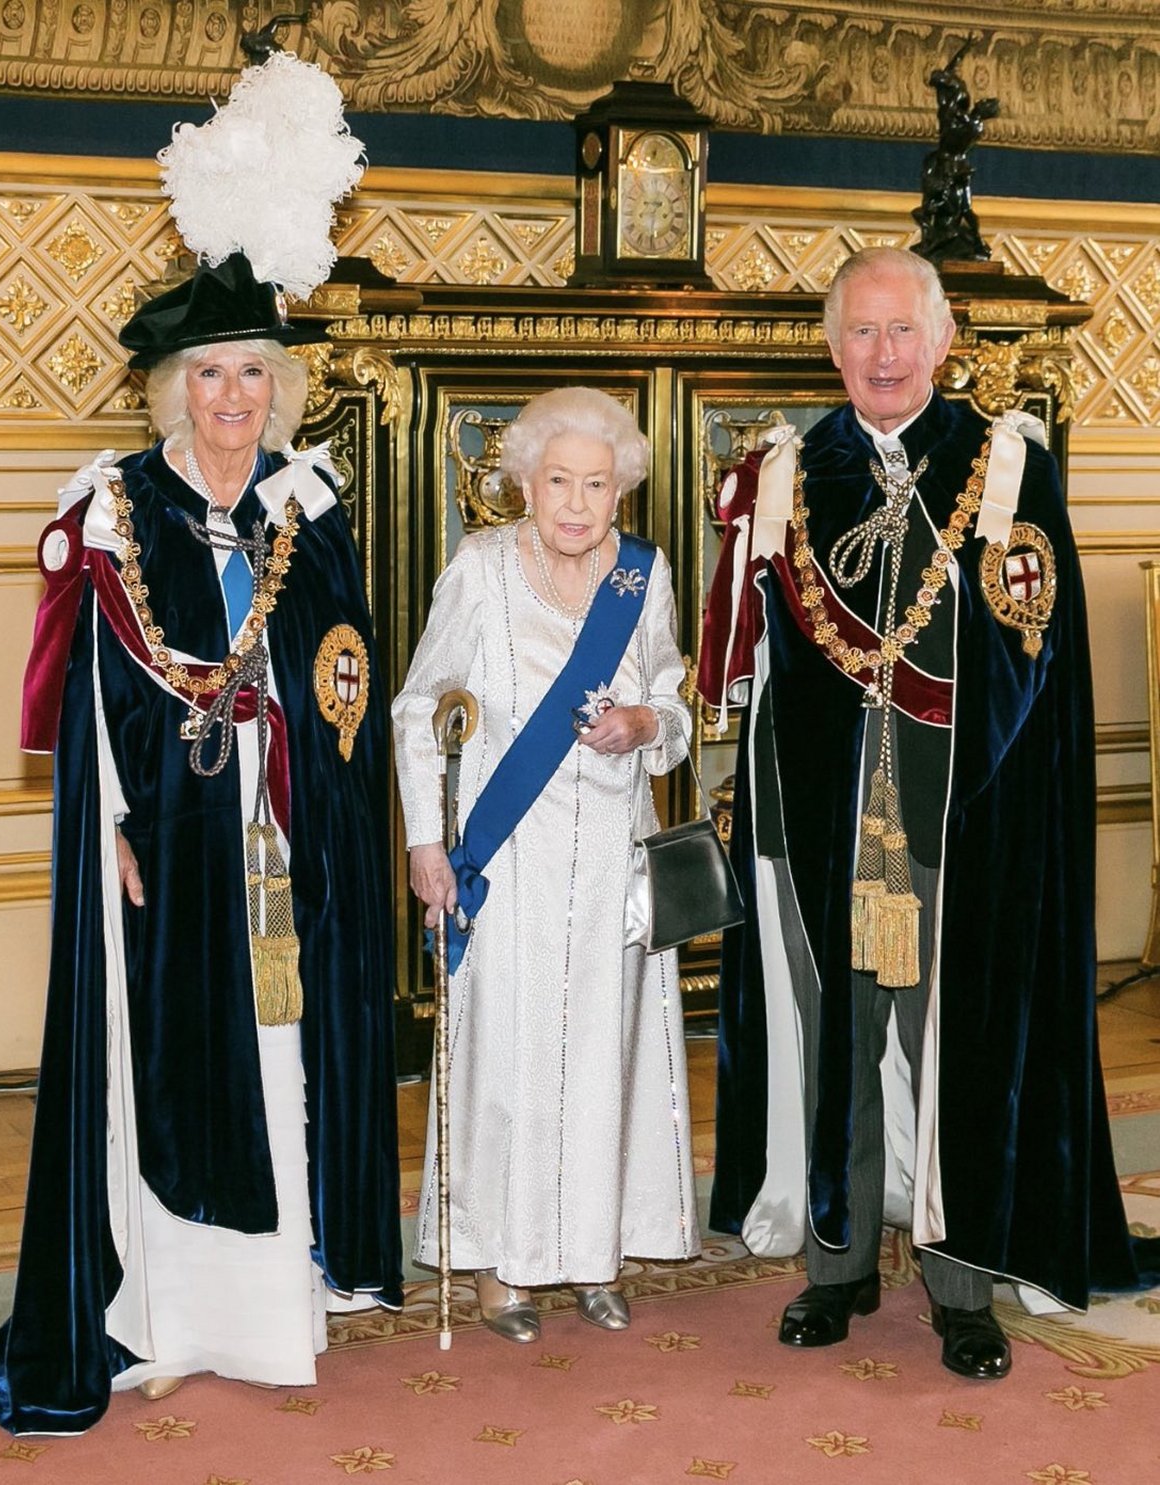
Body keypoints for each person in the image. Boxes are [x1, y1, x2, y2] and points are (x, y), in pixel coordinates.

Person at [699, 246, 1156, 1381]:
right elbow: (756, 669)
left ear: (944, 343)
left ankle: (964, 1284)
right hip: (821, 824)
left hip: (967, 820)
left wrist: (978, 789)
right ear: (833, 346)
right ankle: (837, 1265)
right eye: (861, 332)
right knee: (836, 1043)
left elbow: (1037, 654)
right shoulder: (788, 473)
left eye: (904, 331)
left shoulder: (1004, 467)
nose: (884, 354)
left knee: (959, 1050)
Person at [0, 251, 402, 1434]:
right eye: (209, 372)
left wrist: (328, 810)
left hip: (283, 842)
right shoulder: (113, 506)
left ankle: (278, 1310)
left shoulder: (306, 508)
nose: (232, 396)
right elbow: (82, 686)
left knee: (278, 1057)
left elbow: (345, 678)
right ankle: (167, 1317)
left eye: (253, 373)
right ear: (173, 387)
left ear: (280, 385)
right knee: (172, 1065)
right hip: (165, 837)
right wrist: (105, 823)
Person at [392, 386, 699, 1342]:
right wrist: (424, 839)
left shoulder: (642, 578)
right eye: (558, 480)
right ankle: (500, 1267)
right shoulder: (481, 571)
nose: (576, 501)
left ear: (622, 491)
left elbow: (676, 707)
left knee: (605, 1053)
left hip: (611, 860)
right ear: (525, 482)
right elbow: (415, 707)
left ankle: (593, 1254)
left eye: (596, 484)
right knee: (507, 1058)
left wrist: (647, 722)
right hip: (508, 859)